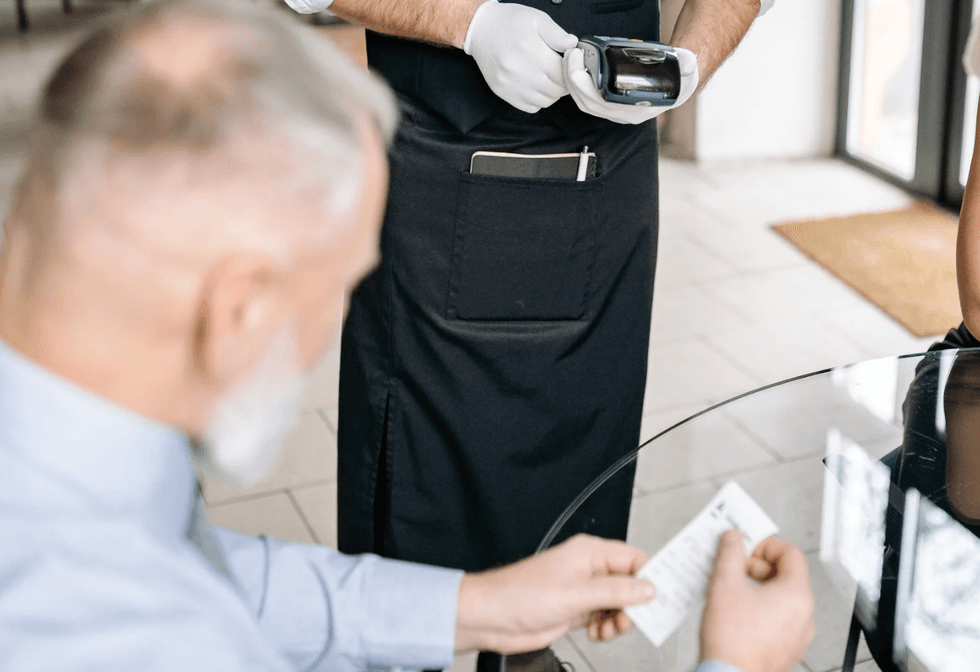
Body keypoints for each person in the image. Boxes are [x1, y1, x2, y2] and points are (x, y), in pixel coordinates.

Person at [0, 1, 814, 670]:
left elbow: (195, 572)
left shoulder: (95, 486)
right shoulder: (148, 641)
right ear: (241, 308)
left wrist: (472, 607)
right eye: (345, 279)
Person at [280, 1, 778, 663]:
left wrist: (689, 65)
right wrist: (469, 23)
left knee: (574, 470)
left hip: (613, 166)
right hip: (451, 154)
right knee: (419, 490)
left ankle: (533, 649)